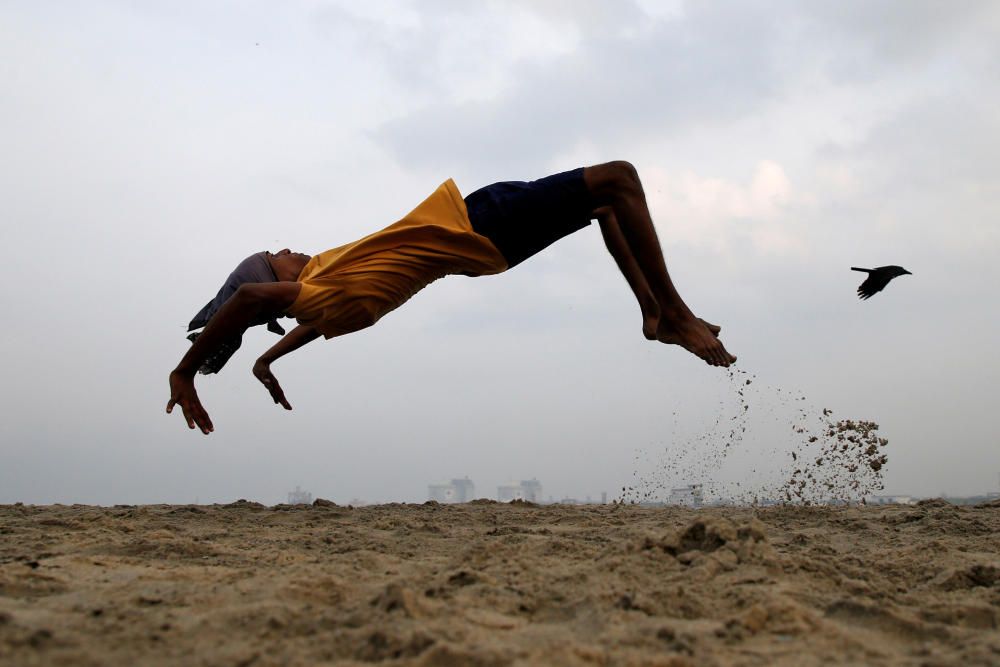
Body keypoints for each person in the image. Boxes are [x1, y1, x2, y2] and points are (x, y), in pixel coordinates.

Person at [167, 161, 736, 434]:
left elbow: (307, 325)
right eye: (276, 254)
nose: (289, 248)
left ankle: (654, 313)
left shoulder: (329, 299)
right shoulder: (318, 283)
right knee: (620, 180)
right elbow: (246, 304)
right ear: (273, 282)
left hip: (483, 242)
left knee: (606, 207)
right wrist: (186, 372)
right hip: (479, 225)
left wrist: (267, 359)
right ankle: (676, 315)